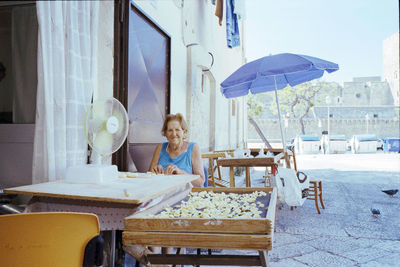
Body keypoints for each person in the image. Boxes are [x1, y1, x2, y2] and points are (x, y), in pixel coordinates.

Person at [149, 113, 205, 187]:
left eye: (177, 130)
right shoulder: (160, 147)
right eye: (170, 130)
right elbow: (149, 175)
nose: (174, 134)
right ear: (165, 133)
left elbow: (200, 181)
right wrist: (155, 173)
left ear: (184, 132)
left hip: (188, 195)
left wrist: (180, 173)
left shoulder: (193, 147)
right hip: (164, 194)